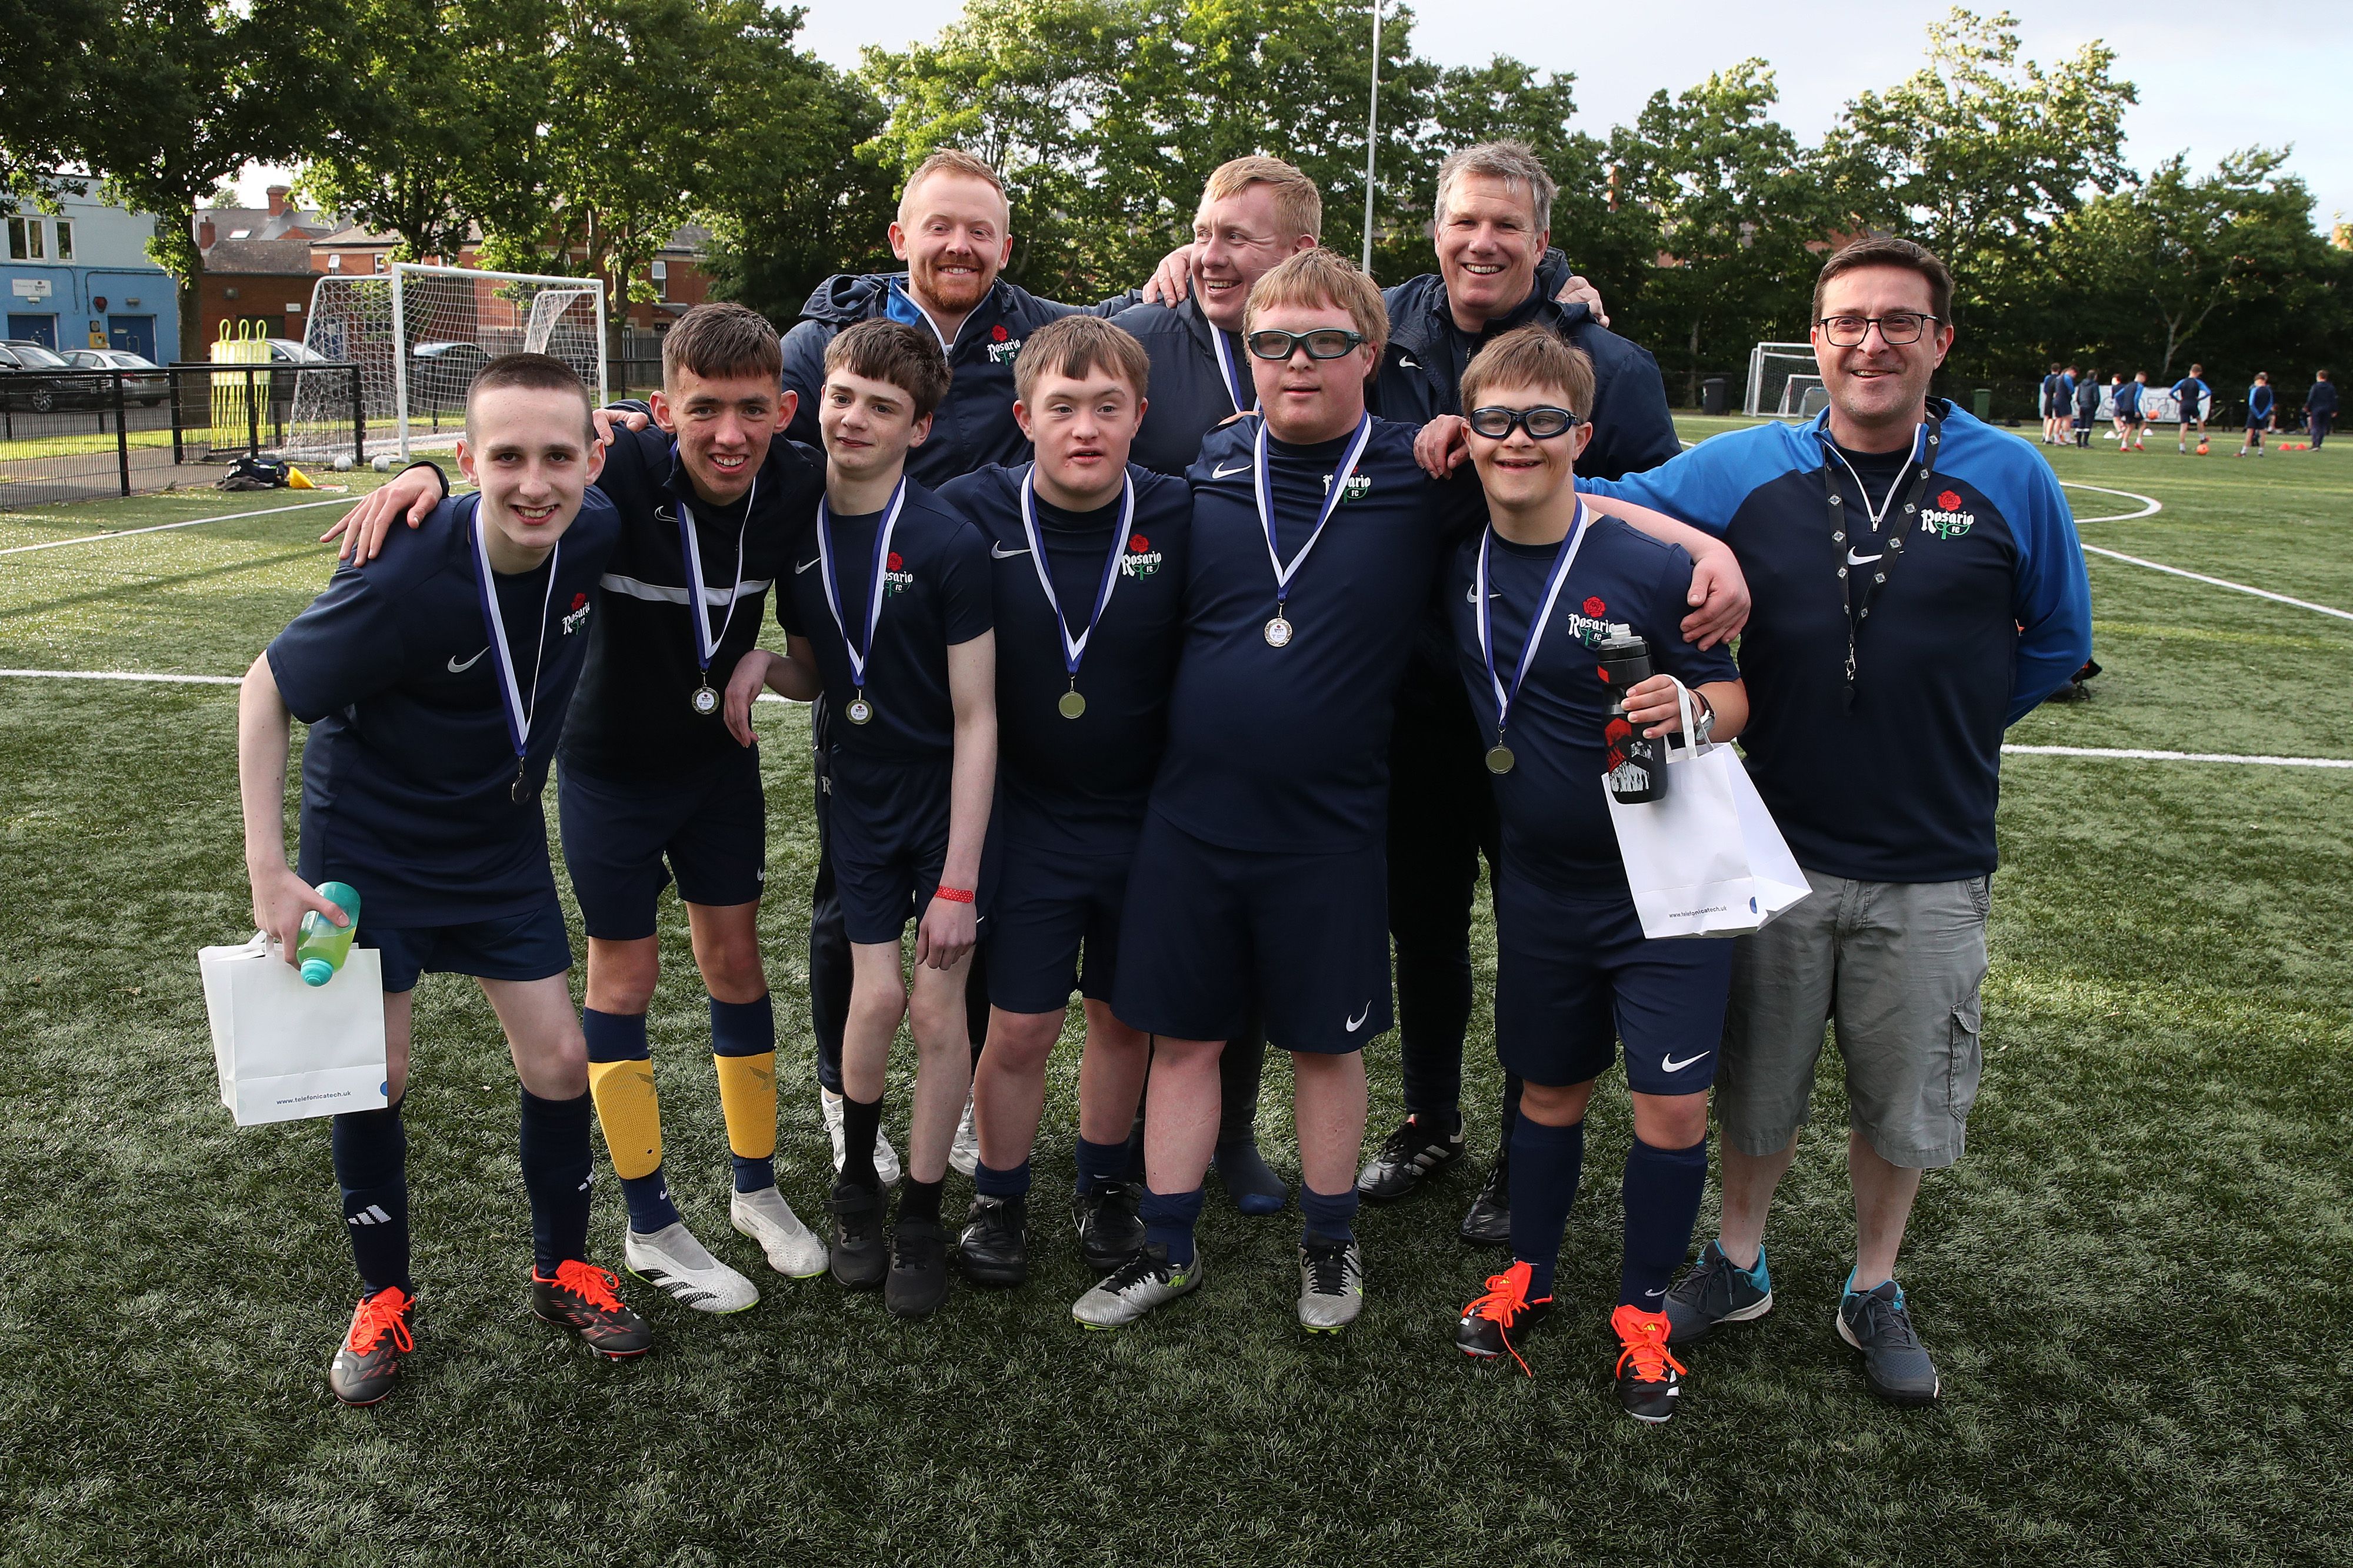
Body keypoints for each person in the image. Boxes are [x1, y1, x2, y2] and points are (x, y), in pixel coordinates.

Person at [1071, 248, 1742, 1333]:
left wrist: (1709, 547)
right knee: (1184, 1039)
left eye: (1326, 343)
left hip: (1336, 822)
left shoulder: (1423, 469)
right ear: (1249, 354)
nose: (1298, 362)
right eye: (1275, 343)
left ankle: (1330, 1249)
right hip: (1190, 817)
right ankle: (1167, 1246)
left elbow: (1575, 499)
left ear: (1370, 357)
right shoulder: (1205, 464)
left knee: (1329, 1046)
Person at [1580, 236, 2092, 1407]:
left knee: (1898, 1099)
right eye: (1847, 321)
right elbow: (1602, 508)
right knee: (1757, 1086)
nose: (1870, 341)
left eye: (1896, 322)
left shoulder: (2009, 474)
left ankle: (1871, 1284)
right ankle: (1740, 1260)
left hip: (1931, 853)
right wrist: (1488, 441)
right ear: (1813, 340)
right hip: (1779, 843)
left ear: (1937, 341)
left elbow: (2057, 640)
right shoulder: (1745, 468)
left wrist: (1943, 716)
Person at [326, 305, 832, 1316]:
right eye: (703, 410)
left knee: (736, 960)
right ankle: (648, 1221)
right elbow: (531, 459)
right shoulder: (626, 468)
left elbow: (819, 653)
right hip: (605, 773)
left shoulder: (800, 483)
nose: (728, 434)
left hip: (716, 766)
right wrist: (432, 472)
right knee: (627, 974)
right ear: (661, 411)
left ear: (783, 409)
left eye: (750, 411)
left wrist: (772, 662)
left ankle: (756, 1187)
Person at [239, 353, 649, 1406]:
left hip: (497, 843)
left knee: (562, 1058)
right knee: (377, 1072)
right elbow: (267, 688)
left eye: (560, 456)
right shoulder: (407, 574)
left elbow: (677, 424)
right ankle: (384, 1297)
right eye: (503, 458)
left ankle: (561, 1267)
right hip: (368, 856)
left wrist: (429, 460)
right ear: (470, 462)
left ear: (595, 458)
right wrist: (271, 871)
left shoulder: (592, 524)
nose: (535, 482)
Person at [1363, 140, 1704, 1250]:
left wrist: (1511, 431)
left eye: (1508, 226)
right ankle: (1429, 1119)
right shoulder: (1385, 330)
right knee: (1423, 924)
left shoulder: (1613, 361)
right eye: (1465, 221)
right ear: (1435, 231)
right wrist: (1182, 260)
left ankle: (1523, 1143)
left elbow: (1653, 499)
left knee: (1537, 926)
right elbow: (1268, 327)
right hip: (1418, 693)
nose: (1483, 242)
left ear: (1544, 244)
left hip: (1558, 709)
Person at [1438, 327, 1747, 1422]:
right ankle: (1531, 1270)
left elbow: (1735, 694)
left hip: (1665, 885)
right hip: (1538, 883)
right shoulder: (1452, 550)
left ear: (1584, 435)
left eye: (1542, 422)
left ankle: (1647, 1312)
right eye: (1494, 420)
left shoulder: (1654, 566)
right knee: (1547, 1090)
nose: (1517, 441)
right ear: (1467, 432)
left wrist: (1696, 710)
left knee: (1669, 1108)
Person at [729, 319, 995, 1319]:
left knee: (935, 1007)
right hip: (857, 793)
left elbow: (978, 720)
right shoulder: (797, 532)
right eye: (843, 396)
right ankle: (853, 1183)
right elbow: (819, 664)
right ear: (820, 401)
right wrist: (768, 667)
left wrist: (963, 878)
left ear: (918, 428)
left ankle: (921, 1211)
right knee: (873, 995)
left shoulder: (947, 541)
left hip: (944, 800)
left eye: (883, 406)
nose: (855, 417)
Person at [934, 316, 1192, 1285]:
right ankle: (998, 1199)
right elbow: (848, 506)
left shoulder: (1178, 509)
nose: (1086, 427)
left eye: (1108, 408)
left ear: (1139, 418)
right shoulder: (969, 508)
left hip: (1143, 820)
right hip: (1029, 818)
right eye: (1063, 407)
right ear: (1024, 418)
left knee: (1125, 1019)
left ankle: (1103, 1185)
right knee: (1022, 1025)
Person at [2171, 365, 2209, 453]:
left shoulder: (2182, 382)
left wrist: (2178, 400)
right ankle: (2202, 438)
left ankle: (2182, 448)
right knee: (2199, 419)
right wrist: (2200, 399)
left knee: (2184, 426)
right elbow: (2208, 392)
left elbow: (2171, 392)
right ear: (2198, 373)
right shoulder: (2198, 382)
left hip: (2184, 404)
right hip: (2193, 403)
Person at [2238, 372, 2275, 455]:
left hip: (2254, 414)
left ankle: (2244, 451)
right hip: (2264, 414)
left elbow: (2251, 403)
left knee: (2250, 432)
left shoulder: (2255, 390)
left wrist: (2257, 414)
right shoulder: (2269, 390)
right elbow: (2270, 403)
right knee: (2263, 433)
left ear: (2260, 380)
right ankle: (2261, 451)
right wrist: (2263, 414)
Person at [2117, 371, 2148, 451]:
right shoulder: (2139, 386)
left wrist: (2122, 406)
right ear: (2142, 378)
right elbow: (2136, 399)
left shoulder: (2128, 386)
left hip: (2126, 408)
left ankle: (2124, 445)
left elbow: (2117, 396)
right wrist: (2136, 410)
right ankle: (2138, 442)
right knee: (2143, 424)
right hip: (2133, 408)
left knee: (2131, 426)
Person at [2308, 369, 2337, 449]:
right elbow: (2334, 399)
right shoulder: (2331, 388)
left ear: (2319, 377)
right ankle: (2319, 443)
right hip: (2327, 409)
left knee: (2315, 426)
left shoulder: (2315, 387)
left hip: (2316, 409)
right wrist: (2335, 410)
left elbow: (2311, 398)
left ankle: (2315, 444)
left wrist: (2308, 408)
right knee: (2323, 427)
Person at [2073, 368, 2101, 448]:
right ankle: (2085, 442)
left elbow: (2078, 396)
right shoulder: (2094, 385)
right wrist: (2095, 406)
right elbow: (2097, 397)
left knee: (2081, 423)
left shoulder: (2081, 384)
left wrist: (2080, 404)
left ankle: (2078, 443)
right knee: (2088, 425)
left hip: (2082, 405)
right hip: (2090, 405)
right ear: (2095, 377)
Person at [2039, 363, 2065, 445]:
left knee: (2046, 417)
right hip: (2055, 399)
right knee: (2054, 418)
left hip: (2048, 398)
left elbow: (2045, 389)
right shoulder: (2059, 379)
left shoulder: (2047, 378)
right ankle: (2053, 435)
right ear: (2059, 370)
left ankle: (2045, 434)